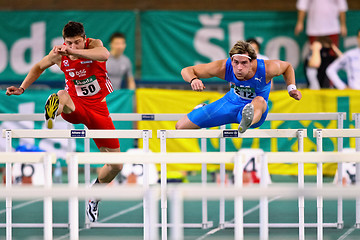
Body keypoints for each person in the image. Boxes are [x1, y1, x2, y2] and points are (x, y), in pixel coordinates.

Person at [6, 21, 121, 223]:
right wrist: (22, 88)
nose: (73, 46)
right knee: (62, 94)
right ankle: (54, 111)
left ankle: (94, 194)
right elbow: (38, 67)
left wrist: (74, 52)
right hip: (75, 105)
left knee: (116, 165)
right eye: (69, 42)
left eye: (77, 42)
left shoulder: (94, 45)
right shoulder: (59, 54)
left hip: (99, 110)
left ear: (85, 39)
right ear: (63, 41)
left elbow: (104, 55)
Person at [175, 40, 302, 132]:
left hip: (256, 109)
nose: (239, 68)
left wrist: (291, 88)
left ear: (252, 61)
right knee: (180, 126)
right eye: (236, 62)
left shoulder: (267, 68)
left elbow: (287, 67)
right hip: (229, 104)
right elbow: (186, 70)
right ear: (231, 60)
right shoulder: (224, 67)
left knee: (259, 100)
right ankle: (202, 110)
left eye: (244, 63)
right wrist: (193, 79)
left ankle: (247, 120)